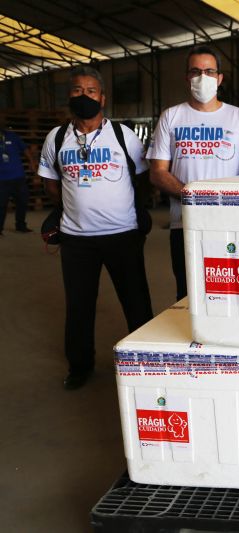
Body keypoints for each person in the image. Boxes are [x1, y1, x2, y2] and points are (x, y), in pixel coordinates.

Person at [39, 66, 153, 390]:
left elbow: (142, 176)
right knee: (79, 306)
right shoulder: (57, 137)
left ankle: (145, 359)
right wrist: (71, 206)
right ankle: (80, 366)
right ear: (69, 97)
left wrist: (136, 211)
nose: (84, 96)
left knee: (136, 301)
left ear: (102, 98)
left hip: (123, 235)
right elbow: (49, 182)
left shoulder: (122, 135)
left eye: (91, 91)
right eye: (77, 90)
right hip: (77, 239)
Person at [149, 45, 239, 301]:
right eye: (196, 71)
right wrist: (193, 195)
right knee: (188, 293)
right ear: (187, 77)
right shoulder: (171, 117)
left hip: (229, 223)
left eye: (210, 71)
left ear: (220, 78)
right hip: (184, 223)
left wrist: (224, 200)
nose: (203, 77)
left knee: (230, 291)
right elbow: (157, 172)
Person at [0, 127, 36, 234]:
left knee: (22, 202)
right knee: (1, 205)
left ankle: (21, 226)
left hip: (18, 177)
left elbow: (25, 149)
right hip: (1, 179)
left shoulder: (13, 136)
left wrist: (31, 162)